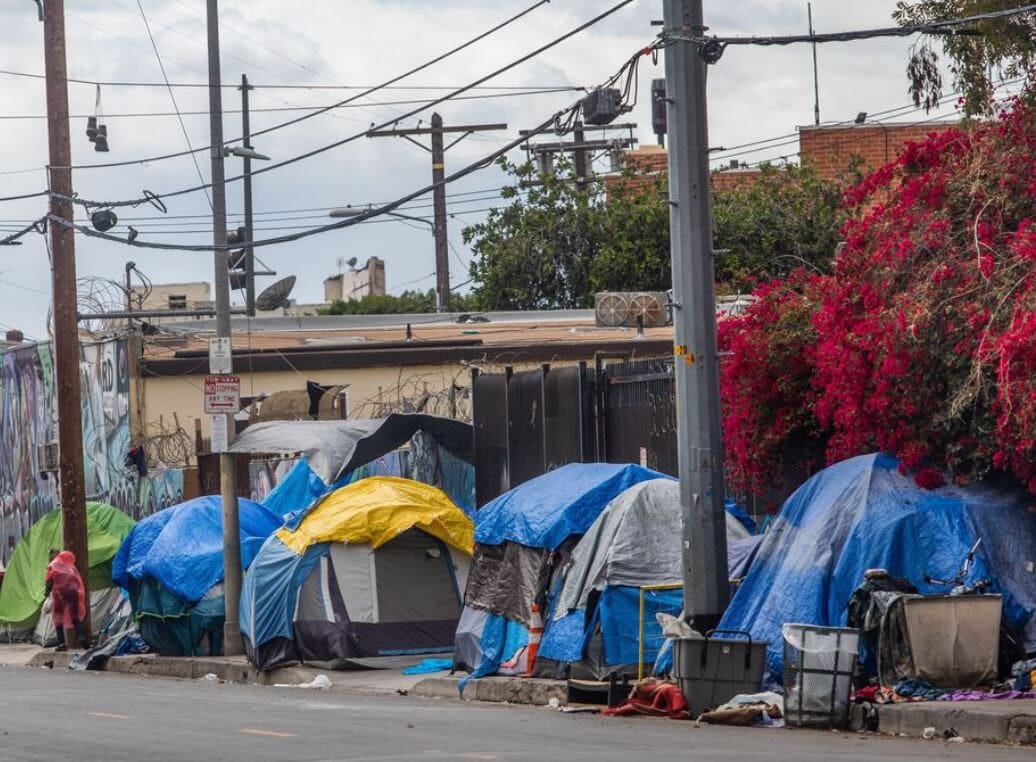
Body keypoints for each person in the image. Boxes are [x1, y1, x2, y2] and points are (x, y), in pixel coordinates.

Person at [45, 550, 90, 651]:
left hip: (59, 594)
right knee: (74, 615)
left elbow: (49, 581)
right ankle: (81, 636)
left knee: (57, 617)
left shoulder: (53, 566)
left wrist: (46, 594)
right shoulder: (71, 567)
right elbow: (78, 581)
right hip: (73, 592)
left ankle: (62, 643)